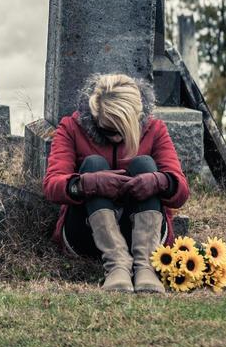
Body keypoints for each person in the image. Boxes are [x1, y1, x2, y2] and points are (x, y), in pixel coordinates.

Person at [42, 73, 190, 294]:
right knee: (93, 164)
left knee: (145, 164)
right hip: (86, 234)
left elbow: (181, 192)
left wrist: (158, 181)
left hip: (145, 236)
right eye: (108, 130)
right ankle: (116, 265)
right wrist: (88, 183)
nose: (116, 139)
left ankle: (145, 267)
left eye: (122, 131)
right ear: (95, 116)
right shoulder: (71, 128)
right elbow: (52, 186)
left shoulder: (155, 129)